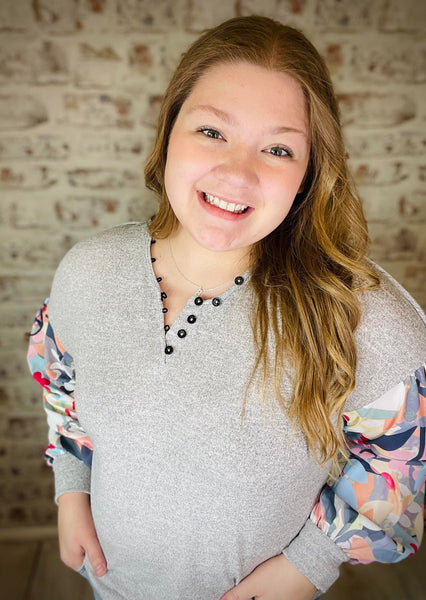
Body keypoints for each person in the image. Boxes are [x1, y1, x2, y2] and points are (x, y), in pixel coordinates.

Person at [27, 15, 425, 600]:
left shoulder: (360, 315)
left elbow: (400, 466)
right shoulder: (88, 272)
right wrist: (71, 490)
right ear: (169, 133)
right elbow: (62, 387)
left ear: (309, 173)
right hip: (112, 585)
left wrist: (306, 566)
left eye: (278, 148)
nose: (238, 172)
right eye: (213, 132)